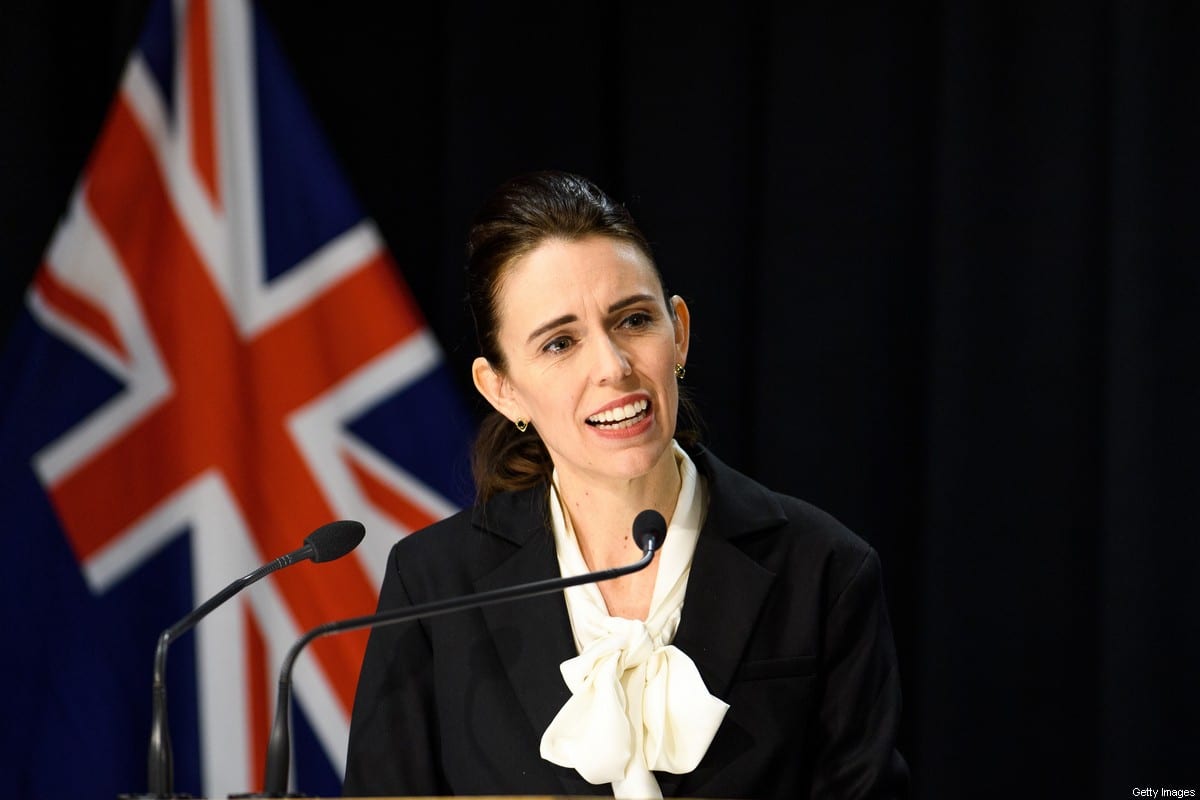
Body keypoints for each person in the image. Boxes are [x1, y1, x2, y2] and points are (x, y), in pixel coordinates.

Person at [342, 171, 908, 799]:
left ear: (679, 332)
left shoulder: (824, 569)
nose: (613, 367)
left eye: (634, 320)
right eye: (560, 343)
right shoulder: (433, 586)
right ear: (501, 389)